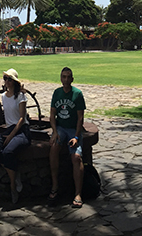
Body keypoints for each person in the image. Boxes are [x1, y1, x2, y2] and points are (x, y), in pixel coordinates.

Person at [0, 68, 30, 204]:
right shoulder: (3, 97)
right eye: (5, 79)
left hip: (21, 129)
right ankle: (13, 172)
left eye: (9, 79)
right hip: (9, 129)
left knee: (8, 151)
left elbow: (21, 118)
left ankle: (13, 187)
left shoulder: (20, 96)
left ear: (14, 82)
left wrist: (11, 135)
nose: (6, 81)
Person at [49, 66, 86, 208]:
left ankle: (78, 193)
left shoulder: (77, 94)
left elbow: (80, 118)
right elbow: (52, 115)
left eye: (68, 77)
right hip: (61, 128)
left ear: (72, 79)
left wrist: (76, 136)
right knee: (53, 148)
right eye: (63, 77)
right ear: (60, 78)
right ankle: (54, 185)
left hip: (73, 129)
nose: (65, 80)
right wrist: (55, 132)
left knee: (76, 157)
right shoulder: (57, 93)